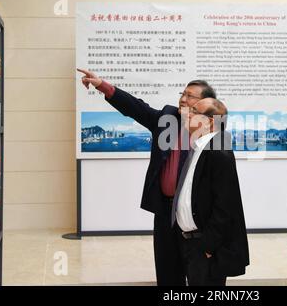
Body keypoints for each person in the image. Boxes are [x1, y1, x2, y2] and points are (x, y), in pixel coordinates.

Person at [77, 68, 216, 286]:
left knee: (200, 275)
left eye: (190, 96)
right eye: (183, 93)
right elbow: (136, 107)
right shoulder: (167, 119)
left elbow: (222, 189)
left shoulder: (212, 134)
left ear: (206, 104)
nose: (183, 99)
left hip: (197, 218)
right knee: (168, 274)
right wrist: (101, 84)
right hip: (166, 213)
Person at [173, 97, 249, 285]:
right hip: (190, 243)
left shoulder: (219, 151)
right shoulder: (199, 147)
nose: (187, 114)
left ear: (210, 121)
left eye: (194, 111)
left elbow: (225, 206)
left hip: (205, 248)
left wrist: (207, 246)